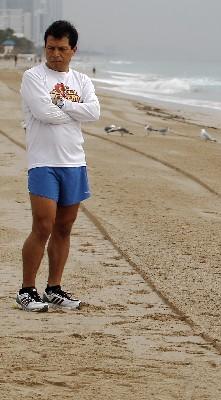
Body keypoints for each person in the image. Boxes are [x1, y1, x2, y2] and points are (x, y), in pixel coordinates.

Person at [16, 20, 100, 312]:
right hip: (43, 163)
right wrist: (75, 112)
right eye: (51, 48)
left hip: (74, 161)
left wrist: (62, 106)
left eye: (62, 49)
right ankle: (27, 290)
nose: (55, 54)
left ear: (73, 50)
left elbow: (95, 111)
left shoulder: (82, 81)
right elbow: (44, 112)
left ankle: (53, 288)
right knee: (43, 225)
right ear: (45, 46)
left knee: (64, 227)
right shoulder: (33, 77)